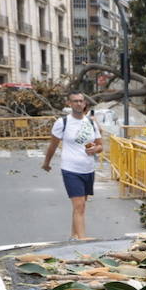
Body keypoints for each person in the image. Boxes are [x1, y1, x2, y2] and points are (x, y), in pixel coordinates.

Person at [42, 92, 104, 239]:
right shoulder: (62, 123)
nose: (78, 103)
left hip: (88, 169)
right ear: (69, 104)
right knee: (79, 206)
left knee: (80, 207)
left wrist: (95, 149)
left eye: (81, 101)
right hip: (71, 169)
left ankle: (73, 237)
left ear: (84, 103)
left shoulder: (90, 122)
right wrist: (46, 163)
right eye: (75, 101)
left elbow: (100, 146)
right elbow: (52, 146)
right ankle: (83, 243)